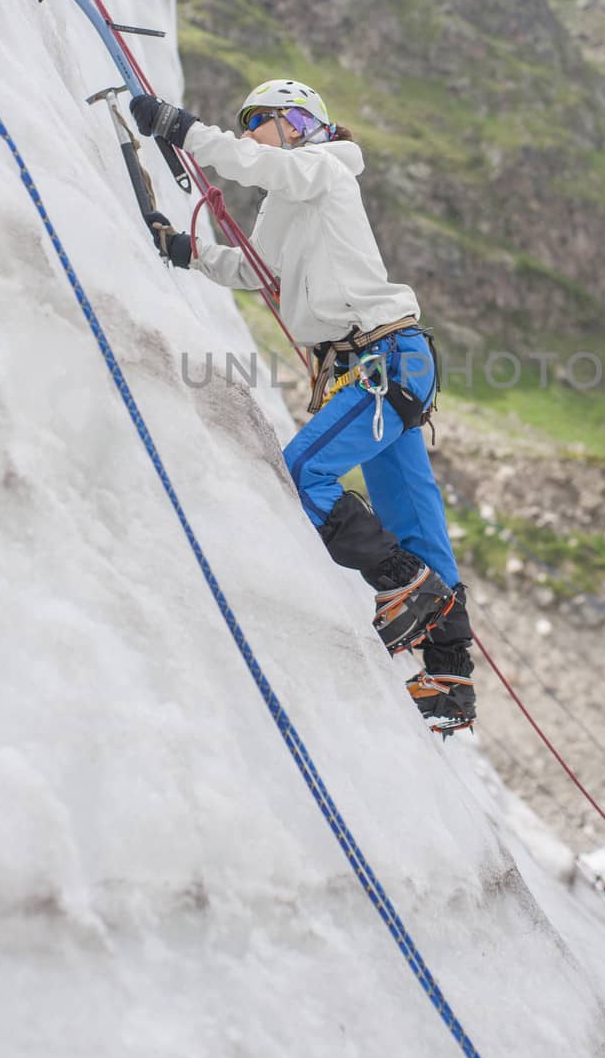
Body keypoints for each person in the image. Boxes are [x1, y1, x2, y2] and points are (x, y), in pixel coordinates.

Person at [130, 78, 475, 733]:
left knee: (303, 471)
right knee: (412, 511)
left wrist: (182, 128)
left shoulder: (320, 166)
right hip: (382, 364)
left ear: (295, 122)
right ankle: (449, 673)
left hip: (384, 362)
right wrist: (185, 249)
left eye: (259, 119)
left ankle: (403, 582)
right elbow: (257, 269)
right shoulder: (292, 199)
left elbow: (256, 163)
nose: (252, 130)